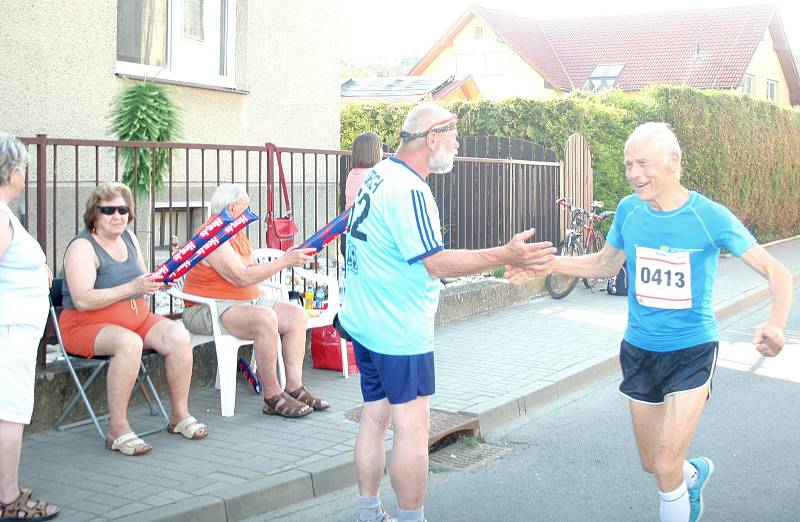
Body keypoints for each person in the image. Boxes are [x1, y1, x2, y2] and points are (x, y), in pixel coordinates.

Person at [508, 122, 792, 522]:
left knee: (663, 464)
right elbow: (606, 265)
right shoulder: (629, 210)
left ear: (673, 161)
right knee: (652, 464)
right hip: (639, 350)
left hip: (692, 351)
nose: (634, 173)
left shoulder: (709, 216)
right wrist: (547, 264)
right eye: (628, 165)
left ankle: (679, 491)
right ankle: (691, 475)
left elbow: (776, 271)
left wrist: (776, 323)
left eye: (643, 163)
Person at [337, 103, 556, 522]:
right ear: (431, 138)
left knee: (373, 417)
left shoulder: (379, 173)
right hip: (398, 331)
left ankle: (368, 512)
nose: (457, 145)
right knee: (413, 429)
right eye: (453, 136)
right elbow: (434, 263)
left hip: (364, 320)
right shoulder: (412, 189)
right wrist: (505, 254)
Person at [60, 182, 207, 456]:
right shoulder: (83, 246)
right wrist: (132, 289)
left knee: (178, 335)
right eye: (109, 210)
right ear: (94, 214)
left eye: (123, 209)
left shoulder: (129, 238)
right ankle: (117, 428)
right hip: (85, 326)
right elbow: (82, 300)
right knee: (129, 344)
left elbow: (141, 278)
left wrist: (158, 282)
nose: (118, 215)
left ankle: (179, 415)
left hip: (135, 320)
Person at [181, 184, 329, 418]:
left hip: (242, 302)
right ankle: (272, 397)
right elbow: (240, 277)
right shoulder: (212, 234)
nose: (250, 211)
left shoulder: (235, 232)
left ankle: (294, 387)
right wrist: (283, 262)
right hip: (209, 306)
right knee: (265, 319)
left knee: (296, 316)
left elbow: (250, 271)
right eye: (246, 206)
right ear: (231, 208)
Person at [0, 134, 60, 520]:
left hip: (16, 329)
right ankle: (8, 499)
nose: (25, 175)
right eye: (22, 168)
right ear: (11, 170)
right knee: (11, 412)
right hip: (10, 332)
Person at [342, 132, 383, 259]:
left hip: (348, 234)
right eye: (380, 148)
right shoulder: (375, 176)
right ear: (373, 151)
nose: (382, 151)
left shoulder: (352, 174)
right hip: (366, 238)